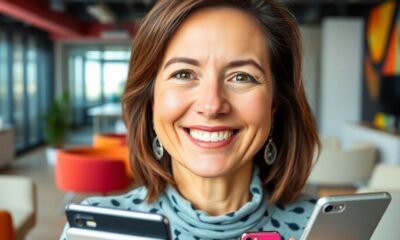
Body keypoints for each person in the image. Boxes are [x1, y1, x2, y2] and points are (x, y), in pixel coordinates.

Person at [60, 0, 319, 239]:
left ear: (274, 104)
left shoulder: (323, 228)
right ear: (151, 101)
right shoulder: (97, 230)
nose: (212, 105)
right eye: (184, 74)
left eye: (241, 77)